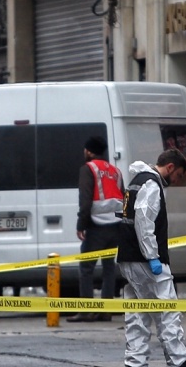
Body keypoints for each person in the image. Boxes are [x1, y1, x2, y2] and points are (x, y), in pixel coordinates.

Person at [117, 149, 186, 367]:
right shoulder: (151, 184)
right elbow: (144, 222)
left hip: (129, 257)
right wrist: (153, 257)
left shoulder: (137, 181)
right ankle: (178, 361)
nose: (175, 181)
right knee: (168, 311)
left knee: (138, 313)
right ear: (170, 167)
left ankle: (135, 362)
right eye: (177, 176)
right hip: (145, 260)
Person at [69, 135, 124, 322]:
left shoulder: (88, 169)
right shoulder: (115, 171)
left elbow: (85, 200)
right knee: (109, 268)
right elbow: (123, 196)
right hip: (115, 226)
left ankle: (87, 311)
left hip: (96, 225)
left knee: (86, 268)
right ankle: (106, 310)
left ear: (89, 151)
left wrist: (81, 224)